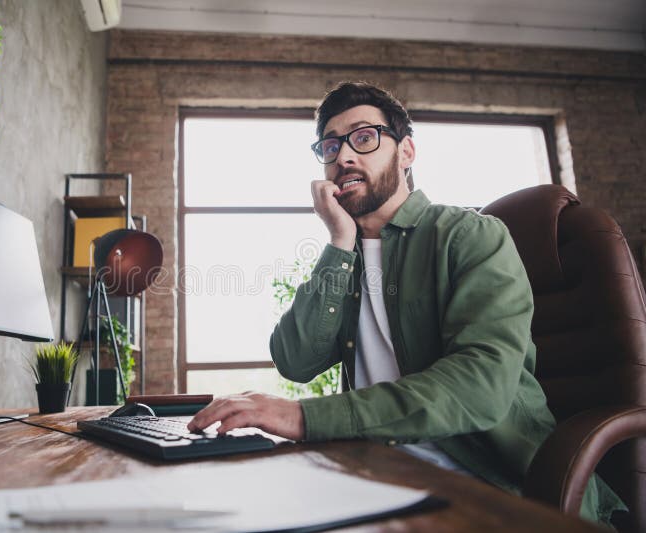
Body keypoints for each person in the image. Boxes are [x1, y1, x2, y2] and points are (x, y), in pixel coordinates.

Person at [188, 81, 622, 525]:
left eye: (363, 137)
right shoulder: (347, 255)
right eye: (331, 145)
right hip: (376, 476)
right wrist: (339, 241)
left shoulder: (470, 235)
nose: (344, 157)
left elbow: (480, 386)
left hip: (490, 486)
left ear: (407, 152)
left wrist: (304, 416)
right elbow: (294, 360)